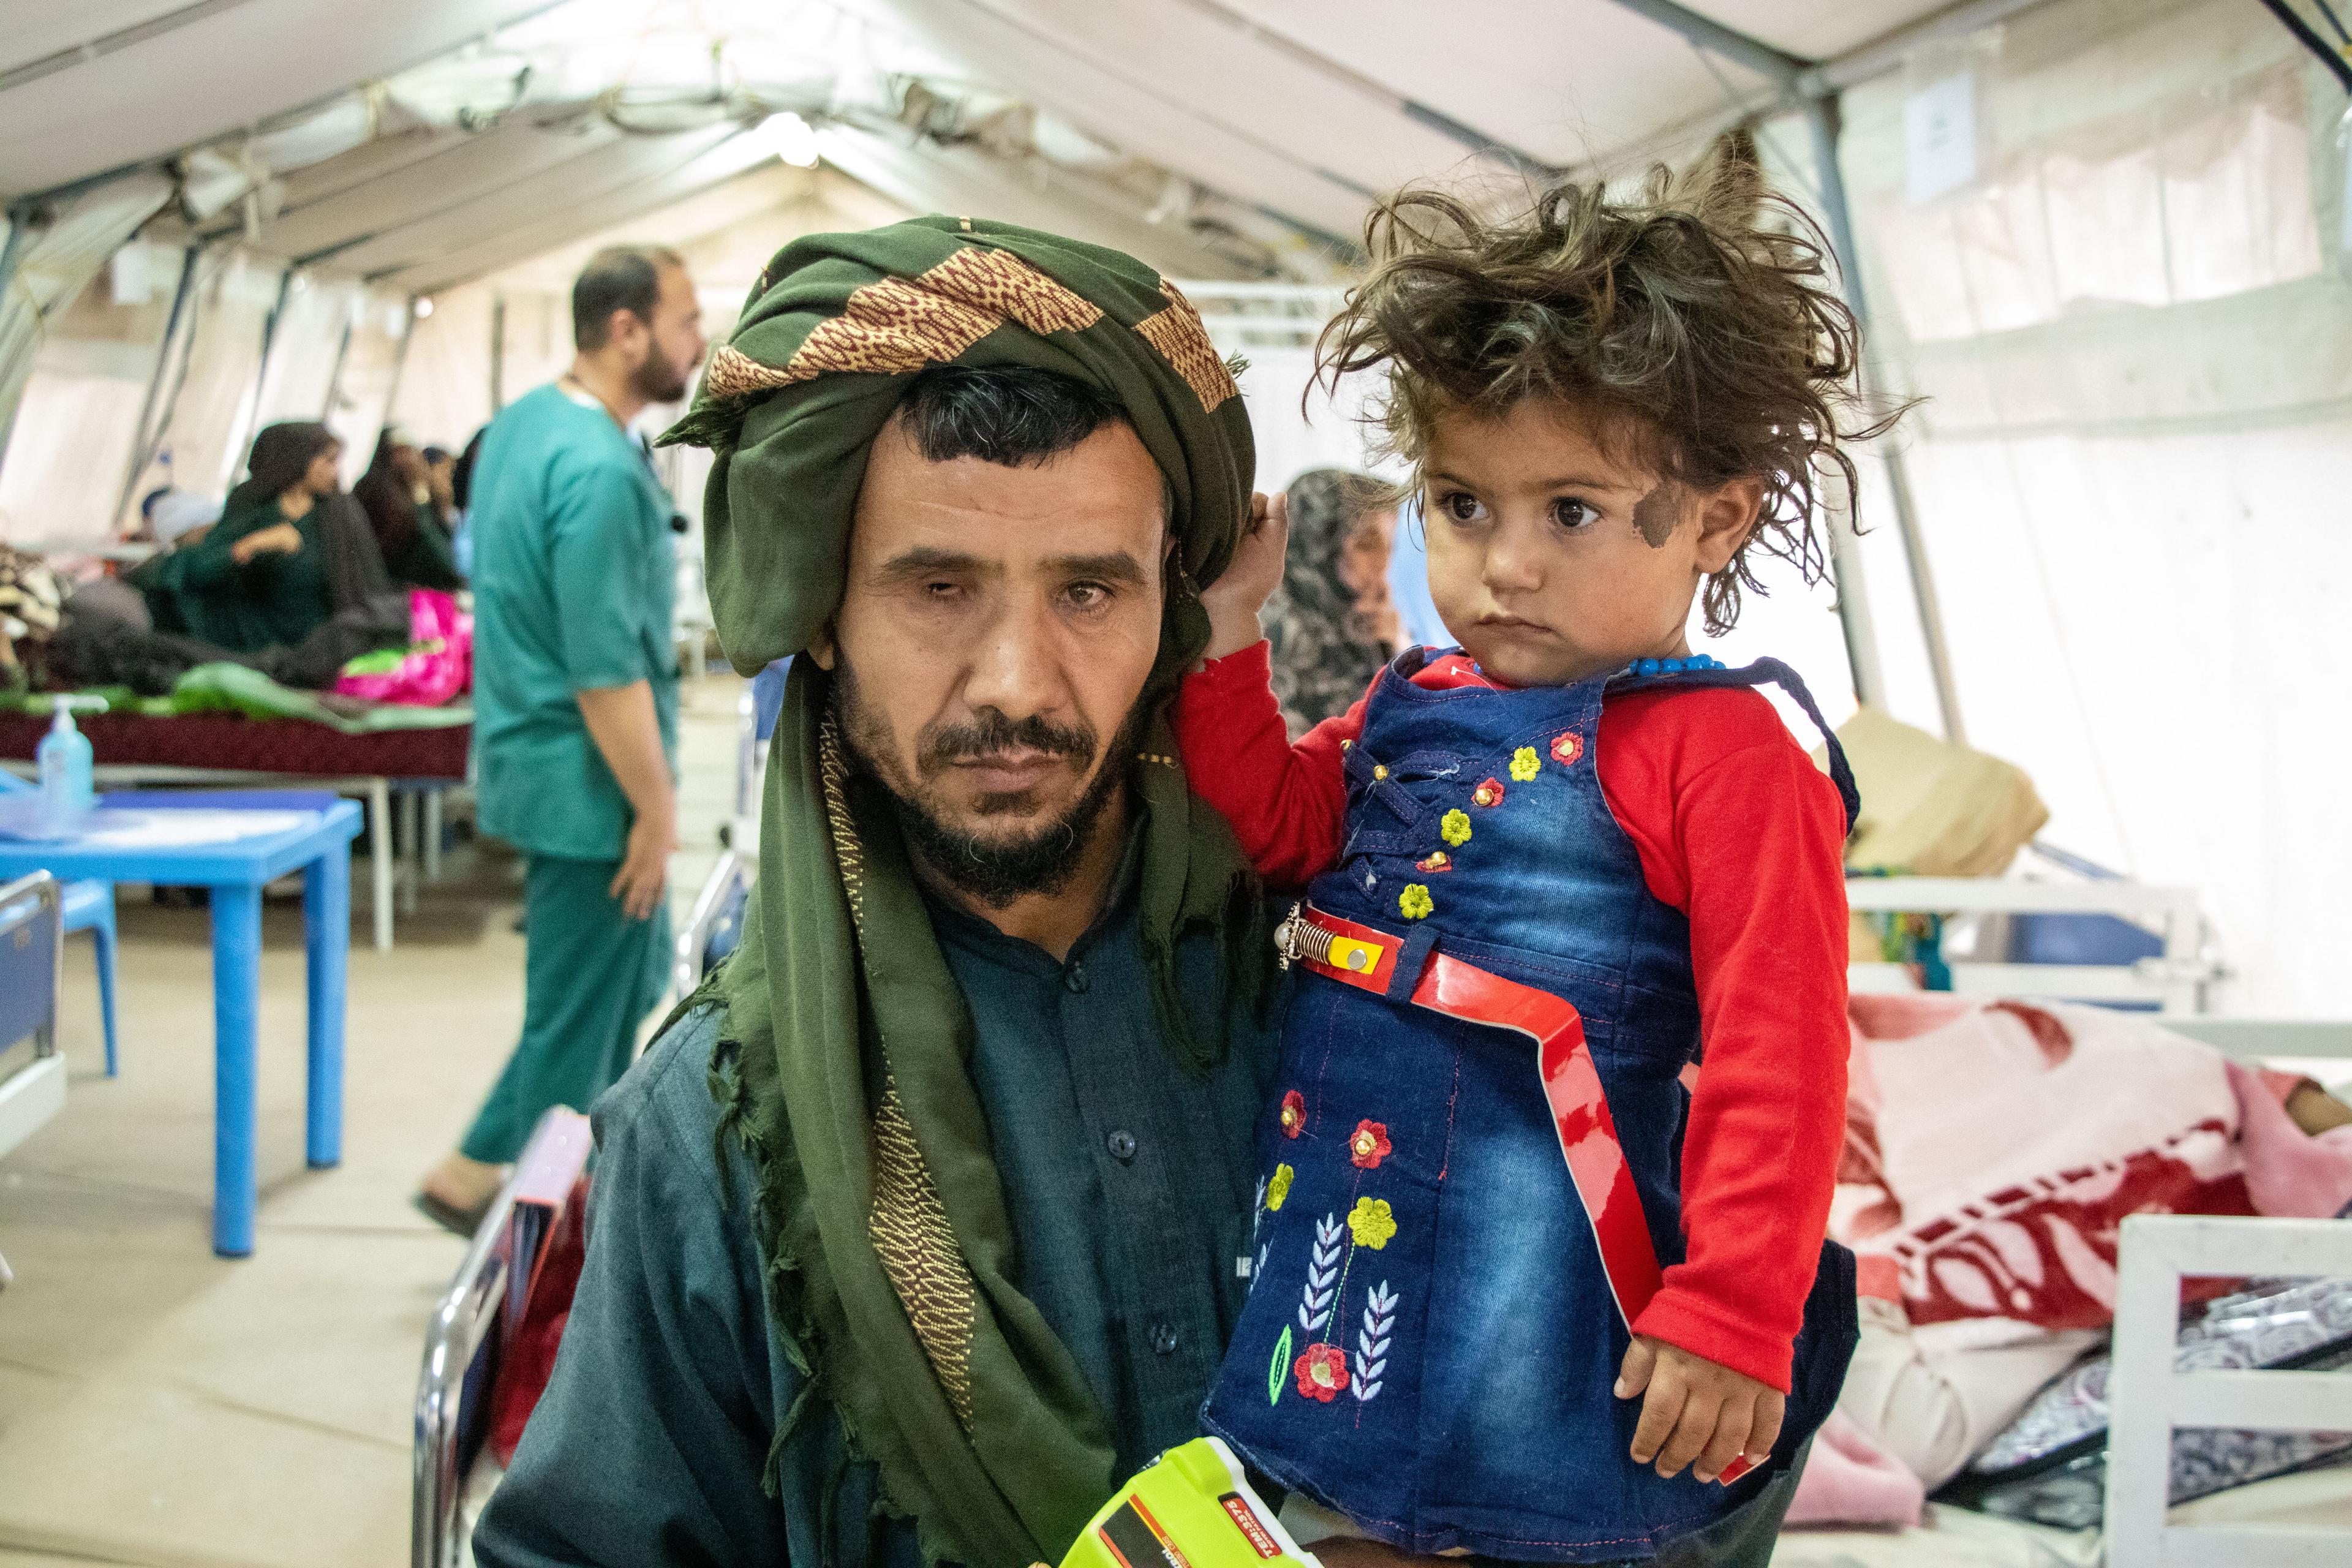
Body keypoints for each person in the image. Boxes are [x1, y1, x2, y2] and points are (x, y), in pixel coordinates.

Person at [472, 219, 1281, 1568]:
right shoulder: (721, 1127)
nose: (1018, 681)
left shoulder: (1360, 992)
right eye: (940, 589)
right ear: (824, 618)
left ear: (1170, 611)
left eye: (1090, 589)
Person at [1173, 135, 1890, 1564]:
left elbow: (1782, 1052)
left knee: (1541, 1519)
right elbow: (1268, 829)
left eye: (1568, 510)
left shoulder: (1728, 750)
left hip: (1558, 1279)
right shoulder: (1412, 703)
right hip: (1356, 1235)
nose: (1504, 563)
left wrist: (1733, 1308)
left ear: (1714, 515)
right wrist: (1230, 634)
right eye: (1461, 504)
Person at [414, 246, 707, 1232]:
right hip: (593, 779)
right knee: (578, 1016)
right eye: (685, 321)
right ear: (625, 330)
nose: (699, 344)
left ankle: (529, 1180)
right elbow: (604, 668)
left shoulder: (523, 428)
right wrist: (658, 809)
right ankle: (489, 1189)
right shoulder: (597, 469)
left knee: (619, 982)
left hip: (538, 758)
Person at [164, 421, 396, 658]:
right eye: (328, 461)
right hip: (251, 640)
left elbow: (367, 585)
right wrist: (255, 543)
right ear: (297, 459)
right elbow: (200, 569)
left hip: (318, 648)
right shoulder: (252, 504)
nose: (335, 472)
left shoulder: (340, 514)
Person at [1264, 467, 1399, 737]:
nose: (1384, 563)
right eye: (1367, 544)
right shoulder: (1261, 647)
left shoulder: (1363, 637)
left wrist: (1395, 653)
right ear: (1318, 546)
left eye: (1390, 545)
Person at [353, 428, 464, 589]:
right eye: (402, 452)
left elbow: (446, 557)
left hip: (421, 588)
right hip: (390, 589)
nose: (410, 459)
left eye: (412, 452)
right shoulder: (374, 489)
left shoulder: (421, 495)